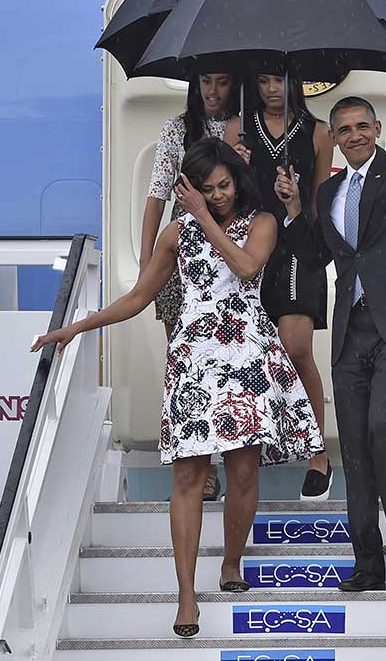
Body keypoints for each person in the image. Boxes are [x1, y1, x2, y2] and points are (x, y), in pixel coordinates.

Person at [32, 138, 324, 636]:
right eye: (207, 190)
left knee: (243, 469)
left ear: (237, 179)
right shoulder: (176, 233)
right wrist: (79, 326)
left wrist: (205, 221)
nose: (218, 196)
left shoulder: (262, 222)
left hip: (246, 357)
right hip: (193, 360)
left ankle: (231, 562)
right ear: (190, 187)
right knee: (189, 476)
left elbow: (247, 267)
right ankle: (186, 594)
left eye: (224, 185)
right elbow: (140, 296)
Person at [274, 61, 386, 591]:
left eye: (362, 126)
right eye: (344, 129)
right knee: (352, 445)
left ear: (376, 130)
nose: (353, 135)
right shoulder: (328, 194)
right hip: (351, 328)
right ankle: (367, 563)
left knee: (384, 428)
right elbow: (315, 257)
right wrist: (291, 211)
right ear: (332, 136)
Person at [223, 73, 334, 500]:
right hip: (251, 244)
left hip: (297, 246)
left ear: (295, 83)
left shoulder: (319, 132)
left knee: (296, 347)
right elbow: (224, 193)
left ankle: (317, 452)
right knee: (249, 353)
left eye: (279, 80)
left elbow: (321, 203)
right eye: (264, 80)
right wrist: (233, 162)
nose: (272, 88)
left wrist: (296, 199)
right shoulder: (238, 127)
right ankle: (252, 447)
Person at [143, 72, 239, 501]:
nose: (212, 92)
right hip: (182, 251)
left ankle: (224, 459)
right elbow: (157, 194)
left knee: (228, 361)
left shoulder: (244, 125)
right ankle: (197, 463)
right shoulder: (176, 129)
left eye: (221, 82)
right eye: (205, 82)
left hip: (232, 249)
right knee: (186, 364)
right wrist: (148, 263)